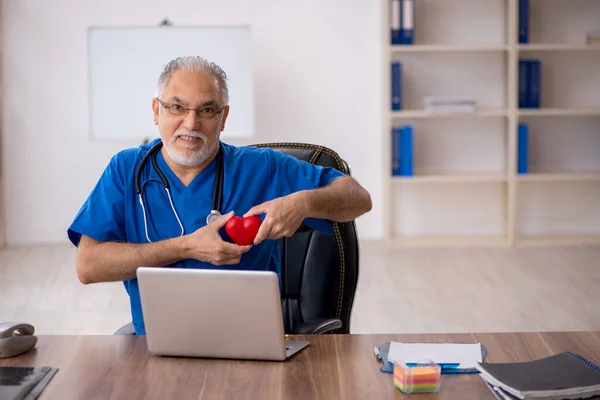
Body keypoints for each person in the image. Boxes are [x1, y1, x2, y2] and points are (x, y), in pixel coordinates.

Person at [68, 56, 372, 335]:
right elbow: (88, 266)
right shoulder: (127, 169)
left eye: (207, 110)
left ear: (223, 117)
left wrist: (304, 203)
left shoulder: (261, 168)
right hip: (156, 345)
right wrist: (187, 247)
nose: (191, 123)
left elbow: (358, 197)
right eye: (177, 107)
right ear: (155, 111)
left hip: (249, 342)